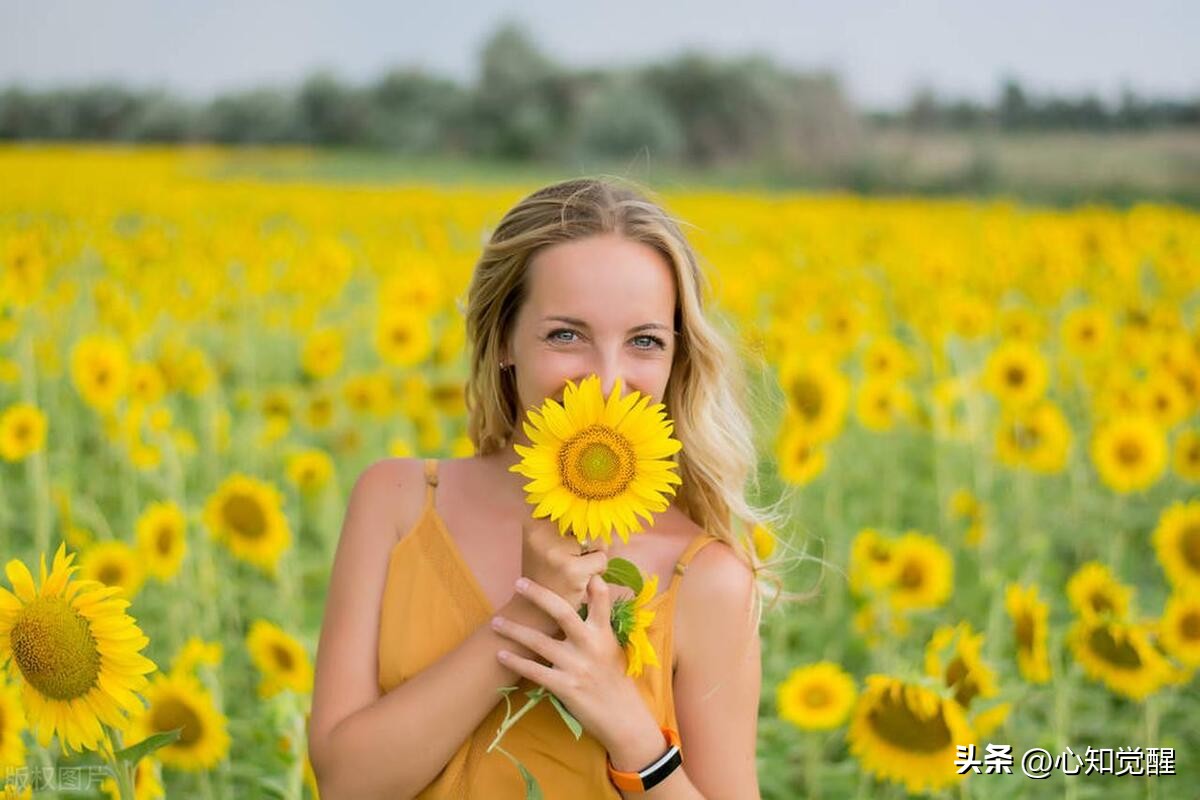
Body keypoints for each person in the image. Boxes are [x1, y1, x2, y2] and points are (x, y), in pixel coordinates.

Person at [309, 177, 771, 798]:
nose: (608, 383)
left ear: (675, 358)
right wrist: (530, 611)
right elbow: (346, 785)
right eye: (566, 335)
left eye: (644, 342)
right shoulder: (396, 503)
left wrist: (632, 731)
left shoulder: (709, 579)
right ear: (503, 339)